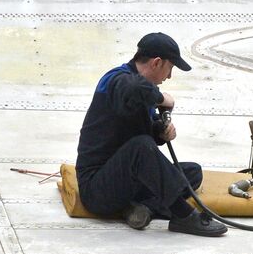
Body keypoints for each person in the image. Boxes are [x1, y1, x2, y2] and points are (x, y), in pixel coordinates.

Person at [76, 32, 226, 237]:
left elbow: (133, 127)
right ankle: (183, 216)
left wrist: (159, 131)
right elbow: (133, 89)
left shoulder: (141, 89)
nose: (170, 76)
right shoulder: (116, 80)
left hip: (127, 181)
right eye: (170, 68)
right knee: (142, 146)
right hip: (98, 189)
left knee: (192, 173)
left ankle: (141, 209)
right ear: (157, 62)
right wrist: (162, 98)